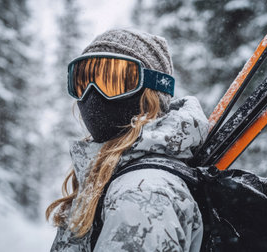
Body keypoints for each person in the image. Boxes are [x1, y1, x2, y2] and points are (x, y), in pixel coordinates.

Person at [47, 29, 209, 251]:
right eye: (83, 80)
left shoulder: (142, 192)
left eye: (112, 80)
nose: (92, 94)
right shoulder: (117, 178)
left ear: (152, 93)